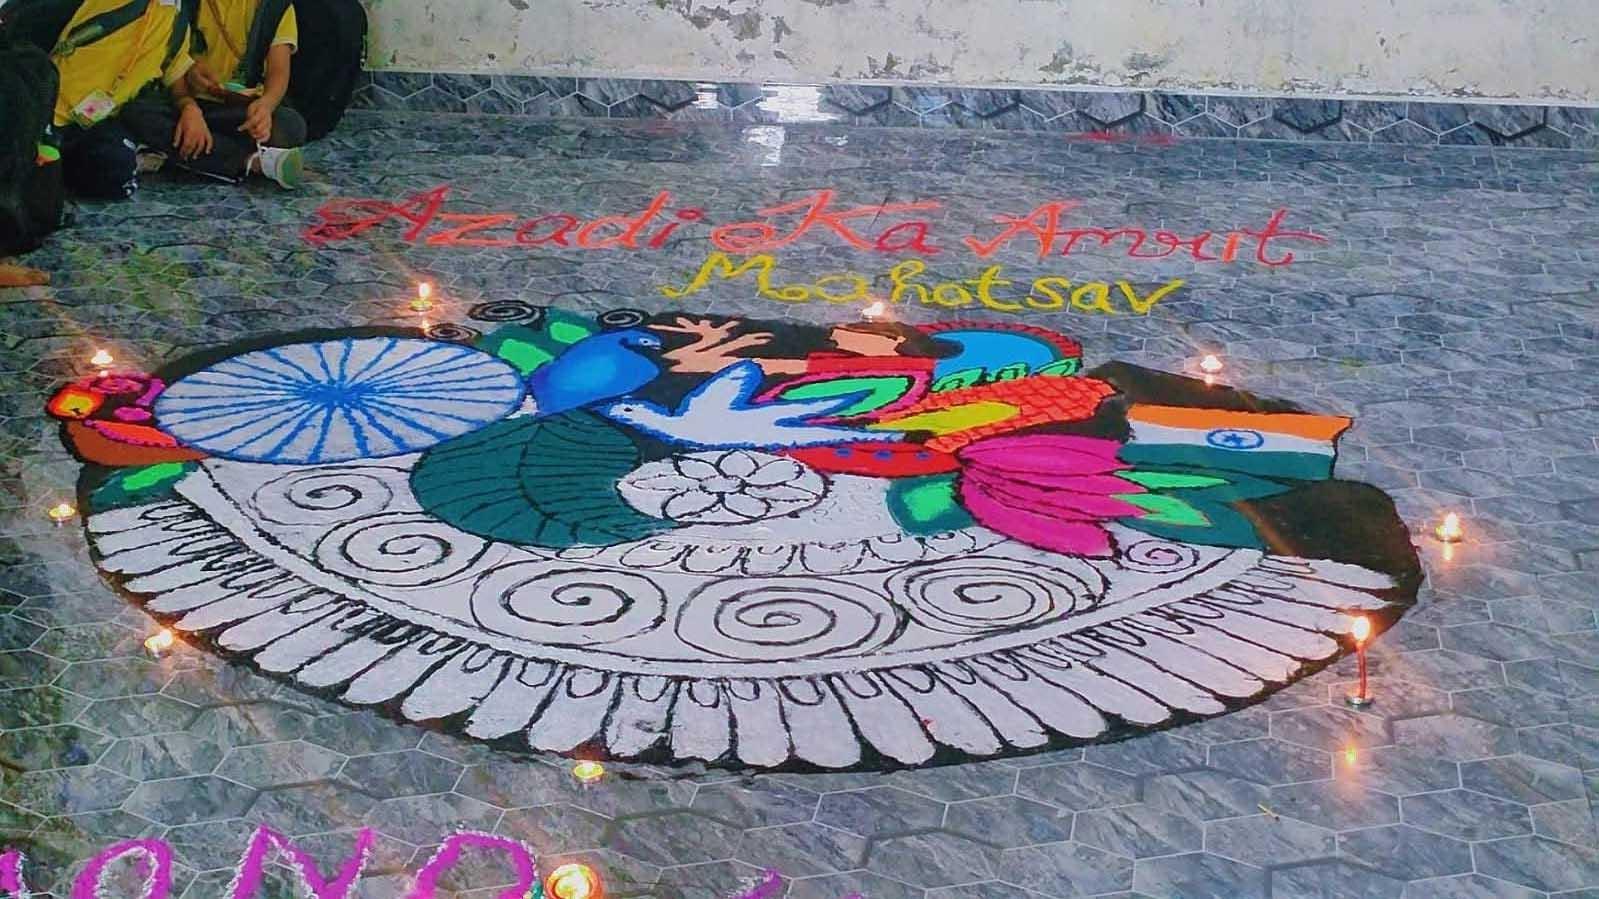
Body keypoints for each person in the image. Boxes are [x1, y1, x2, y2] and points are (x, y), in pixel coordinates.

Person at [121, 0, 305, 188]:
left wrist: (265, 106)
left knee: (290, 125)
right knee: (135, 110)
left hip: (234, 109)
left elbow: (278, 71)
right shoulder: (180, 4)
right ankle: (251, 161)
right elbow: (169, 62)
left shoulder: (275, 6)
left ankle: (171, 153)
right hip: (184, 104)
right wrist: (189, 99)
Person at [46, 0, 194, 199]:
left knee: (117, 171)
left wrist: (189, 106)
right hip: (43, 113)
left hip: (95, 123)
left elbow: (175, 74)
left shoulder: (175, 16)